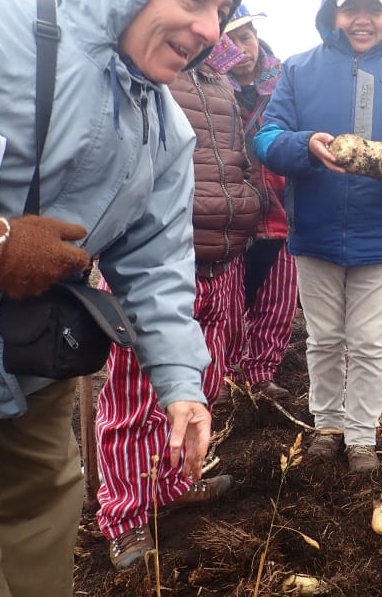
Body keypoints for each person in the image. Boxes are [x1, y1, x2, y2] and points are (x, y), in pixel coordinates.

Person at [0, 0, 241, 594]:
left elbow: (157, 266)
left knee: (41, 539)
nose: (209, 29)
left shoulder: (165, 128)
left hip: (34, 367)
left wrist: (182, 385)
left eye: (222, 11)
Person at [253, 0, 382, 472]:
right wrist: (305, 145)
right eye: (350, 8)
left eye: (375, 8)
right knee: (322, 339)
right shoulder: (300, 69)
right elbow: (266, 136)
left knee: (368, 343)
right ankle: (327, 425)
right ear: (332, 13)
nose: (362, 19)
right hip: (315, 230)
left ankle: (362, 438)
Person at [95, 31, 262, 570]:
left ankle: (167, 485)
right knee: (133, 397)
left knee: (200, 383)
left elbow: (238, 159)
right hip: (158, 267)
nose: (208, 26)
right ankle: (123, 514)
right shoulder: (146, 73)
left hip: (222, 258)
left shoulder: (220, 80)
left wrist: (250, 200)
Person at [219, 5, 299, 402]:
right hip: (233, 215)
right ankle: (226, 375)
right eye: (230, 40)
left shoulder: (288, 81)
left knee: (278, 300)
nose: (241, 48)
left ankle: (260, 374)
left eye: (246, 37)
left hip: (283, 211)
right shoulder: (210, 86)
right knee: (230, 301)